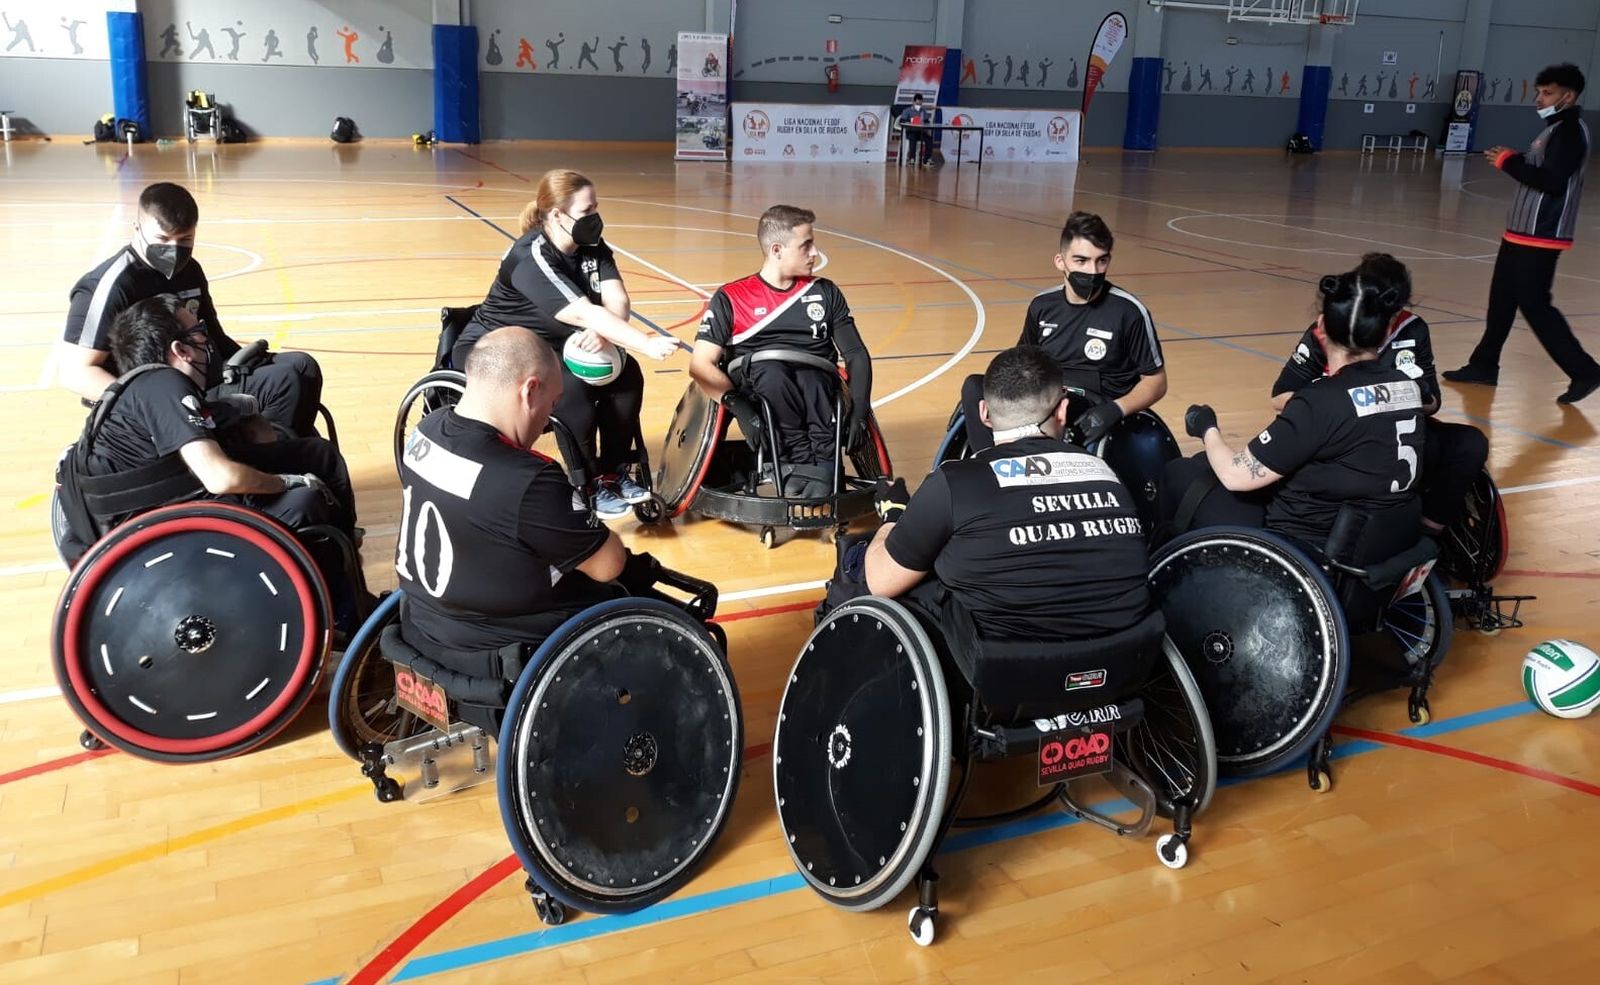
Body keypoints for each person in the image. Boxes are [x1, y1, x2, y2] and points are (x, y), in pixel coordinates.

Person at [395, 327, 657, 715]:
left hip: (423, 623)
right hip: (503, 645)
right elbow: (607, 564)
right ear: (529, 390)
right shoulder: (526, 479)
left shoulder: (425, 432)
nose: (548, 420)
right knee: (635, 592)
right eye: (551, 405)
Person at [860, 345, 1151, 641]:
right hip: (1125, 657)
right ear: (1062, 410)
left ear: (983, 412)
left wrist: (894, 514)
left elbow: (880, 582)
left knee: (866, 561)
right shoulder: (1108, 474)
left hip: (1005, 669)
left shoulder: (953, 482)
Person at [452, 169, 679, 520]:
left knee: (627, 376)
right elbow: (585, 311)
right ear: (558, 214)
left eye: (596, 208)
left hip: (554, 345)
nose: (595, 218)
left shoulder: (592, 247)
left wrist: (606, 333)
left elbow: (617, 300)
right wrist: (643, 342)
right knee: (571, 388)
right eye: (587, 211)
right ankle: (586, 484)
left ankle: (613, 471)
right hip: (496, 350)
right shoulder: (532, 256)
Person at [62, 295, 354, 556]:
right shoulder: (163, 383)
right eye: (199, 334)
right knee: (304, 500)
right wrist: (287, 482)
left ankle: (350, 558)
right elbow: (220, 478)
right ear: (181, 350)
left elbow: (254, 442)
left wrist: (246, 416)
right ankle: (338, 603)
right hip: (158, 534)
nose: (207, 342)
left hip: (169, 499)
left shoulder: (147, 387)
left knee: (317, 454)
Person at [1165, 270, 1426, 554]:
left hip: (1310, 545)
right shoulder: (1409, 388)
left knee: (1181, 474)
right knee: (1207, 465)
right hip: (1381, 537)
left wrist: (1207, 428)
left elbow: (1235, 475)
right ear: (1386, 330)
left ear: (1321, 326)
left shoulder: (1320, 401)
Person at [59, 182, 326, 437]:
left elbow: (214, 336)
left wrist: (247, 360)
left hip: (201, 375)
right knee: (283, 381)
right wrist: (155, 403)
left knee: (302, 367)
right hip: (161, 393)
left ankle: (288, 454)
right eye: (163, 238)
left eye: (185, 239)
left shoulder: (190, 270)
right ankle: (264, 459)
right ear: (136, 228)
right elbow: (76, 373)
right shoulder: (111, 285)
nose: (173, 249)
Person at [1272, 253, 1487, 532]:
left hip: (1394, 429)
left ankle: (1429, 531)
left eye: (1395, 311)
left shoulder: (1414, 329)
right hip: (1341, 434)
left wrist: (1405, 396)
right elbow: (1279, 397)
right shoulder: (1330, 330)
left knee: (1469, 443)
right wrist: (1338, 407)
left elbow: (1433, 401)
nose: (1391, 318)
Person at [690, 205, 874, 498]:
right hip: (762, 384)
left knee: (812, 377)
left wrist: (860, 412)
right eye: (806, 245)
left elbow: (856, 355)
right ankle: (793, 463)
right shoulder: (732, 297)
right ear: (777, 250)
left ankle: (823, 465)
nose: (815, 253)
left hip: (817, 385)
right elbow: (701, 365)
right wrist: (741, 409)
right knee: (772, 371)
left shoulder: (825, 292)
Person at [1443, 63, 1600, 405]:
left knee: (1535, 305)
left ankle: (1585, 371)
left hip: (1543, 233)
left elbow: (1552, 181)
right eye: (1539, 92)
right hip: (1520, 232)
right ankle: (1484, 365)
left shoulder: (1570, 131)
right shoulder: (1553, 129)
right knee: (1501, 301)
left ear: (1568, 96)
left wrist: (1508, 162)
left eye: (1547, 93)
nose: (1538, 99)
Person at [960, 212, 1166, 454]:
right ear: (1060, 261)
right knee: (975, 387)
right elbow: (1020, 363)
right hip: (1048, 393)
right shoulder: (1042, 305)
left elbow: (1156, 382)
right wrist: (985, 399)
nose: (1093, 271)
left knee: (1051, 409)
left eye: (1101, 261)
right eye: (1081, 261)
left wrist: (1115, 410)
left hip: (1093, 404)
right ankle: (988, 464)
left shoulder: (1128, 311)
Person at [898, 95, 940, 167]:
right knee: (912, 138)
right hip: (911, 131)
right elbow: (902, 120)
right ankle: (912, 159)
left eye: (920, 104)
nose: (919, 105)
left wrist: (925, 122)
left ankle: (926, 160)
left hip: (920, 132)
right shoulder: (907, 110)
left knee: (929, 139)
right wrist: (911, 120)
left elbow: (927, 121)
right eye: (917, 104)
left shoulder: (923, 111)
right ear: (913, 102)